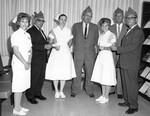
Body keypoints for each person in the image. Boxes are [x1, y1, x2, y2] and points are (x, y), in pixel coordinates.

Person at [111, 7, 144, 114]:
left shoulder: (138, 31)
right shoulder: (129, 30)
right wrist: (117, 45)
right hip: (125, 62)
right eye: (127, 18)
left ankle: (134, 106)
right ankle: (127, 101)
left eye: (131, 18)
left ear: (136, 19)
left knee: (131, 85)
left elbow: (132, 47)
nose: (128, 20)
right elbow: (126, 44)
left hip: (131, 63)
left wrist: (118, 49)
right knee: (125, 84)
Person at [45, 14, 76, 99]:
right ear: (58, 20)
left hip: (65, 53)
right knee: (56, 72)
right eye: (61, 19)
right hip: (56, 52)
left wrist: (66, 48)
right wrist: (55, 45)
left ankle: (61, 91)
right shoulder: (53, 30)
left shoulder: (68, 30)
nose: (63, 21)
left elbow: (70, 41)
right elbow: (50, 43)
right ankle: (56, 91)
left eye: (65, 20)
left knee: (64, 72)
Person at [71, 6, 99, 98]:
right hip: (78, 53)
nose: (88, 17)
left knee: (90, 72)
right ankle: (75, 90)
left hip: (90, 54)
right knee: (76, 72)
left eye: (90, 16)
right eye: (87, 15)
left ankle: (89, 90)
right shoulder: (76, 26)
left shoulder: (95, 27)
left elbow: (96, 40)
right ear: (83, 16)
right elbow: (73, 39)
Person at [25, 11, 52, 104]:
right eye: (39, 21)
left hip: (42, 58)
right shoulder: (30, 31)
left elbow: (41, 42)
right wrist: (44, 46)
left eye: (42, 21)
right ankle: (30, 96)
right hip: (35, 59)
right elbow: (30, 46)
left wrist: (48, 43)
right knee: (34, 77)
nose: (41, 23)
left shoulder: (41, 31)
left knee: (41, 77)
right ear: (34, 21)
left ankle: (38, 93)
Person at [91, 18, 117, 104]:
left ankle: (106, 96)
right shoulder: (101, 35)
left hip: (107, 56)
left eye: (106, 25)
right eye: (103, 25)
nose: (104, 27)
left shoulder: (112, 35)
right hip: (101, 56)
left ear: (109, 26)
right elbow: (98, 46)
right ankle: (102, 95)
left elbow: (113, 48)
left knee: (107, 76)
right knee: (102, 75)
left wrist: (104, 48)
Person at [11, 12, 32, 115]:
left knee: (23, 85)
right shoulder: (15, 35)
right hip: (19, 64)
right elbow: (16, 51)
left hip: (26, 63)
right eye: (22, 21)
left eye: (26, 21)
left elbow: (30, 49)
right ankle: (16, 109)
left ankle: (19, 106)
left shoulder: (27, 35)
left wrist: (29, 61)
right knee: (18, 86)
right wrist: (24, 63)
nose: (25, 23)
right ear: (18, 23)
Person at [109, 7, 128, 99]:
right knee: (111, 70)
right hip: (112, 52)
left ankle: (119, 91)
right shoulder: (110, 27)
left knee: (120, 71)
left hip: (122, 52)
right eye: (117, 16)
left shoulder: (127, 27)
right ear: (114, 17)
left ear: (123, 17)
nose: (119, 17)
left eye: (120, 16)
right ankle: (112, 89)